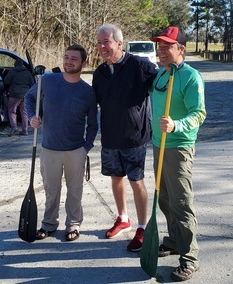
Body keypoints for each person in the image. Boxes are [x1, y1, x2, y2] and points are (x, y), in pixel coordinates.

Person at [92, 23, 158, 251]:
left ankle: (142, 227)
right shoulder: (100, 73)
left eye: (106, 42)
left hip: (135, 138)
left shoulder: (139, 65)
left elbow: (162, 87)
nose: (102, 47)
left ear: (119, 43)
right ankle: (123, 218)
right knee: (115, 178)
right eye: (99, 43)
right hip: (110, 137)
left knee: (136, 181)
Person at [25, 44, 98, 242]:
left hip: (76, 150)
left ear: (84, 63)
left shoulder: (87, 92)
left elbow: (93, 124)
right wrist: (32, 117)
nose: (68, 61)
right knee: (51, 190)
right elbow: (29, 98)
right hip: (49, 148)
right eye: (66, 57)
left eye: (74, 58)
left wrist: (86, 147)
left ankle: (74, 224)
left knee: (75, 190)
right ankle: (49, 224)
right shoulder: (47, 81)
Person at [150, 26, 206, 282]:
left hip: (179, 147)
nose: (161, 51)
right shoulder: (161, 74)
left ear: (180, 49)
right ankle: (173, 241)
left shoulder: (192, 77)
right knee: (164, 198)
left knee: (181, 203)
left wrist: (176, 125)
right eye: (159, 46)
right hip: (158, 144)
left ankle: (189, 257)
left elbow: (199, 113)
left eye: (167, 46)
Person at [4, 60, 34, 136]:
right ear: (22, 65)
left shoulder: (12, 71)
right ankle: (25, 130)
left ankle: (14, 127)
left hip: (14, 95)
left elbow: (6, 82)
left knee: (12, 111)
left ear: (15, 65)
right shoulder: (27, 72)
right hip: (25, 95)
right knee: (24, 112)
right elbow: (32, 84)